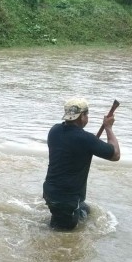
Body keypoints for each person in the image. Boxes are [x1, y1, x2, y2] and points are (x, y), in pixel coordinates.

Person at [43, 98, 120, 231]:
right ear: (82, 116)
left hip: (50, 192)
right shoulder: (86, 139)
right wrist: (108, 127)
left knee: (86, 211)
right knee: (62, 236)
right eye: (87, 114)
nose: (87, 117)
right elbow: (115, 155)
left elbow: (74, 144)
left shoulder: (54, 131)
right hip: (66, 200)